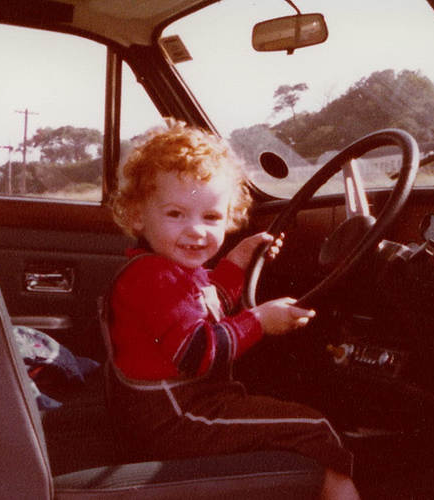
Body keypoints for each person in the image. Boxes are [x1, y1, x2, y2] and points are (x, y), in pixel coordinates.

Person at [106, 120, 359, 499]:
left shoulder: (173, 271)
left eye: (211, 218)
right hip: (178, 421)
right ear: (139, 216)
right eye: (176, 214)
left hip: (181, 413)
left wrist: (237, 262)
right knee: (314, 427)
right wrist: (259, 320)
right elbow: (197, 351)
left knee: (286, 415)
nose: (196, 231)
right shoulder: (155, 277)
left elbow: (209, 307)